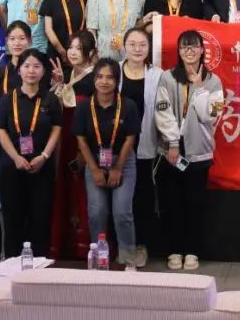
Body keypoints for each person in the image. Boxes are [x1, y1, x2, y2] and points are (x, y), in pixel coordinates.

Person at [154, 30, 224, 271]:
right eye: (185, 47)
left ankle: (192, 251)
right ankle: (174, 250)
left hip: (199, 151)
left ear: (202, 50)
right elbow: (162, 112)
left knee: (195, 204)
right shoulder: (167, 78)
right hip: (171, 150)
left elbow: (211, 115)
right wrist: (173, 143)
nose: (189, 51)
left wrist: (200, 88)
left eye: (194, 46)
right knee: (172, 203)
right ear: (179, 51)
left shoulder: (214, 81)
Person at [0, 48, 62, 258]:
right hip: (12, 166)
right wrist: (15, 157)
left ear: (43, 71)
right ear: (19, 70)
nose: (31, 71)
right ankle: (12, 262)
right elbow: (0, 129)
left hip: (42, 167)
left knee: (40, 218)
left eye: (37, 66)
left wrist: (44, 156)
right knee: (12, 217)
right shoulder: (7, 99)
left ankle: (40, 263)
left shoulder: (50, 99)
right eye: (27, 66)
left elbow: (57, 128)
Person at [75, 58, 140, 269]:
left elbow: (130, 138)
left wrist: (118, 168)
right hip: (94, 161)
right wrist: (94, 170)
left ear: (117, 81)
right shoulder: (84, 107)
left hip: (123, 161)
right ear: (94, 80)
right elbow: (81, 140)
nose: (104, 82)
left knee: (122, 212)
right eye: (100, 77)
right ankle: (99, 256)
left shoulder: (128, 105)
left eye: (110, 77)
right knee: (97, 211)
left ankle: (127, 257)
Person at [0, 20, 34, 257]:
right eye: (12, 39)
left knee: (28, 201)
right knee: (3, 202)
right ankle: (6, 253)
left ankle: (30, 253)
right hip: (1, 143)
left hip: (30, 142)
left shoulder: (35, 68)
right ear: (6, 42)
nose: (17, 43)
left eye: (22, 38)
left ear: (30, 41)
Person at [48, 31, 96, 261]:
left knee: (84, 190)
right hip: (64, 140)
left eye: (79, 48)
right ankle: (65, 244)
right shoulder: (67, 76)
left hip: (84, 141)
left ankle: (85, 245)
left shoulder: (95, 77)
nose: (73, 52)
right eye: (71, 47)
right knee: (65, 187)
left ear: (91, 52)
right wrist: (58, 84)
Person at [120, 27, 162, 268]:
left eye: (142, 45)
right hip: (116, 146)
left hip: (145, 144)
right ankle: (122, 246)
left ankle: (141, 245)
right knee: (119, 199)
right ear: (124, 46)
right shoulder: (113, 71)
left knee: (142, 197)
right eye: (132, 44)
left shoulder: (157, 75)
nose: (137, 49)